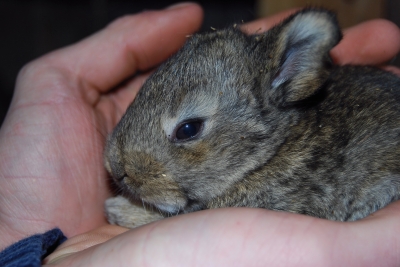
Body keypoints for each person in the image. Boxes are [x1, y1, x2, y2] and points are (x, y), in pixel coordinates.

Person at [0, 2, 399, 266]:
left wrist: (146, 220)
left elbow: (260, 212)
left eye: (187, 130)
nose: (118, 166)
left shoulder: (289, 167)